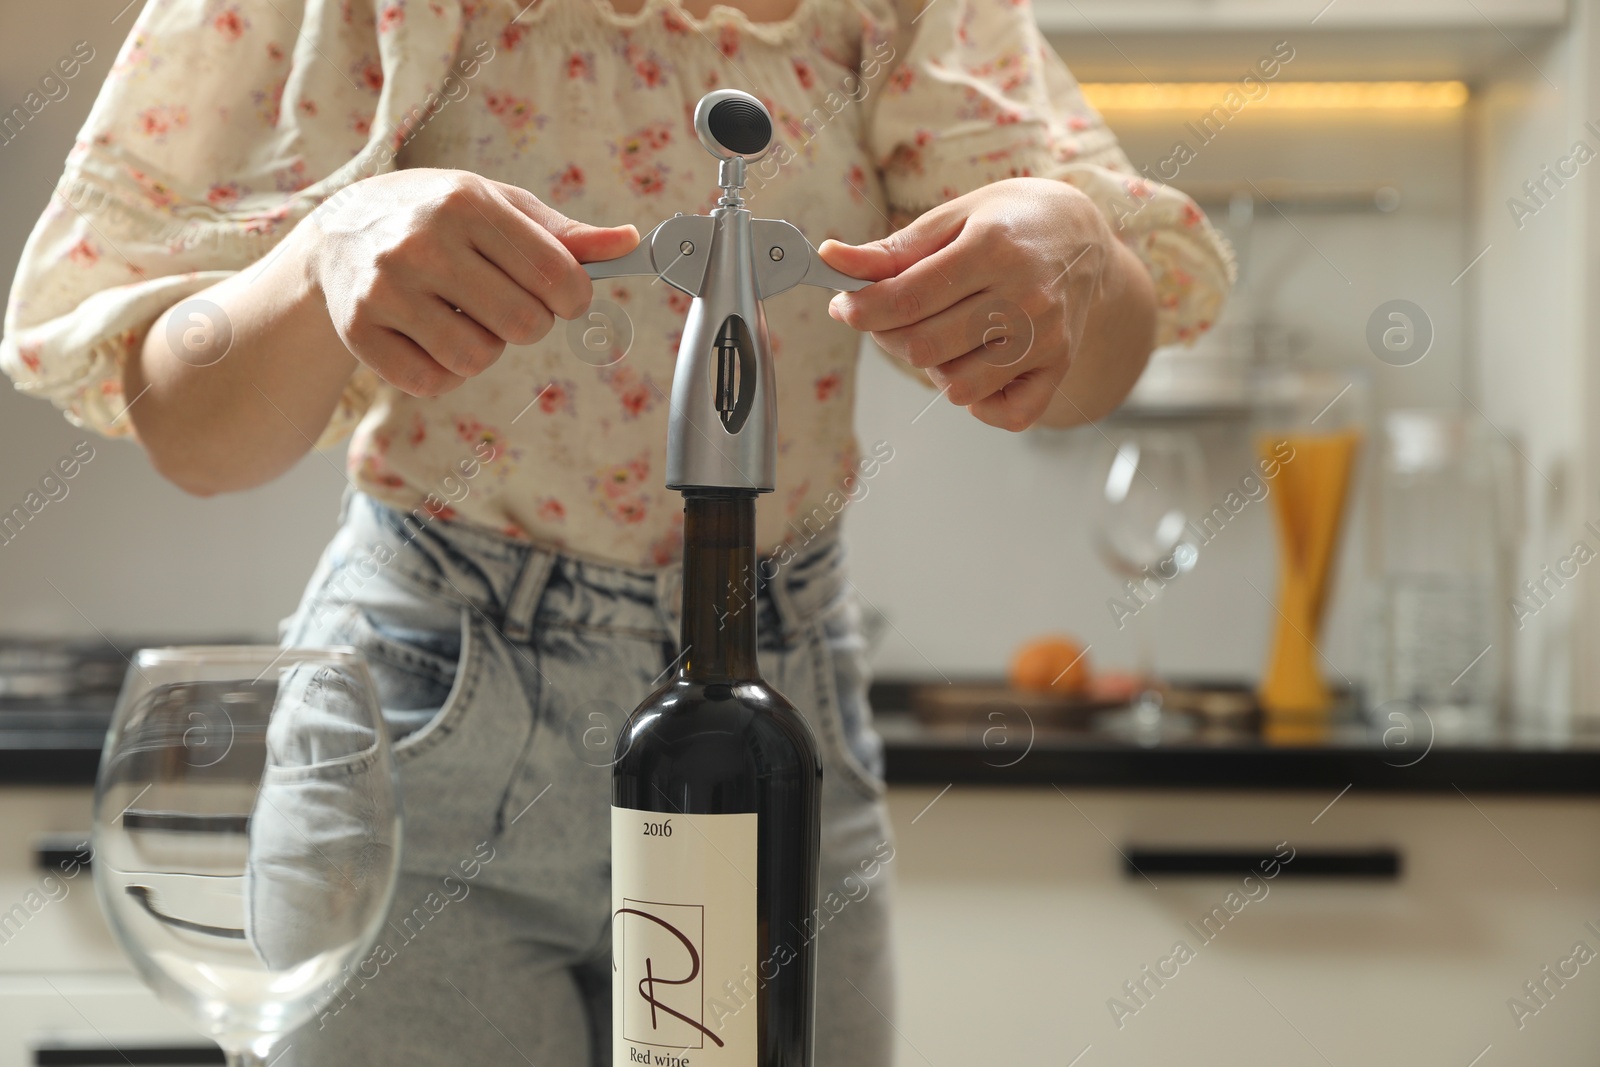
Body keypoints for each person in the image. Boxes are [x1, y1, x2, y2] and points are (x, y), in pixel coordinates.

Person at [2, 0, 1232, 1062]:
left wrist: (1079, 254)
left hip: (781, 707)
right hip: (426, 734)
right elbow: (197, 438)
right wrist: (324, 248)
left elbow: (1098, 348)